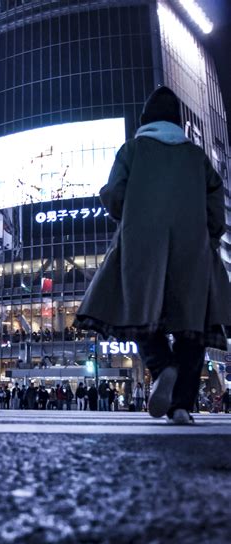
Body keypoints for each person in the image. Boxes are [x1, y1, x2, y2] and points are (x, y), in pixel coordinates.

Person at [74, 86, 231, 425]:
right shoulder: (197, 157)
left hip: (142, 243)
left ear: (145, 120)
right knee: (193, 325)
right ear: (178, 122)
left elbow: (115, 196)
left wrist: (120, 204)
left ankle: (163, 368)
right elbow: (216, 206)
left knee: (139, 309)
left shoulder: (132, 150)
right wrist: (210, 234)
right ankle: (181, 406)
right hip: (193, 247)